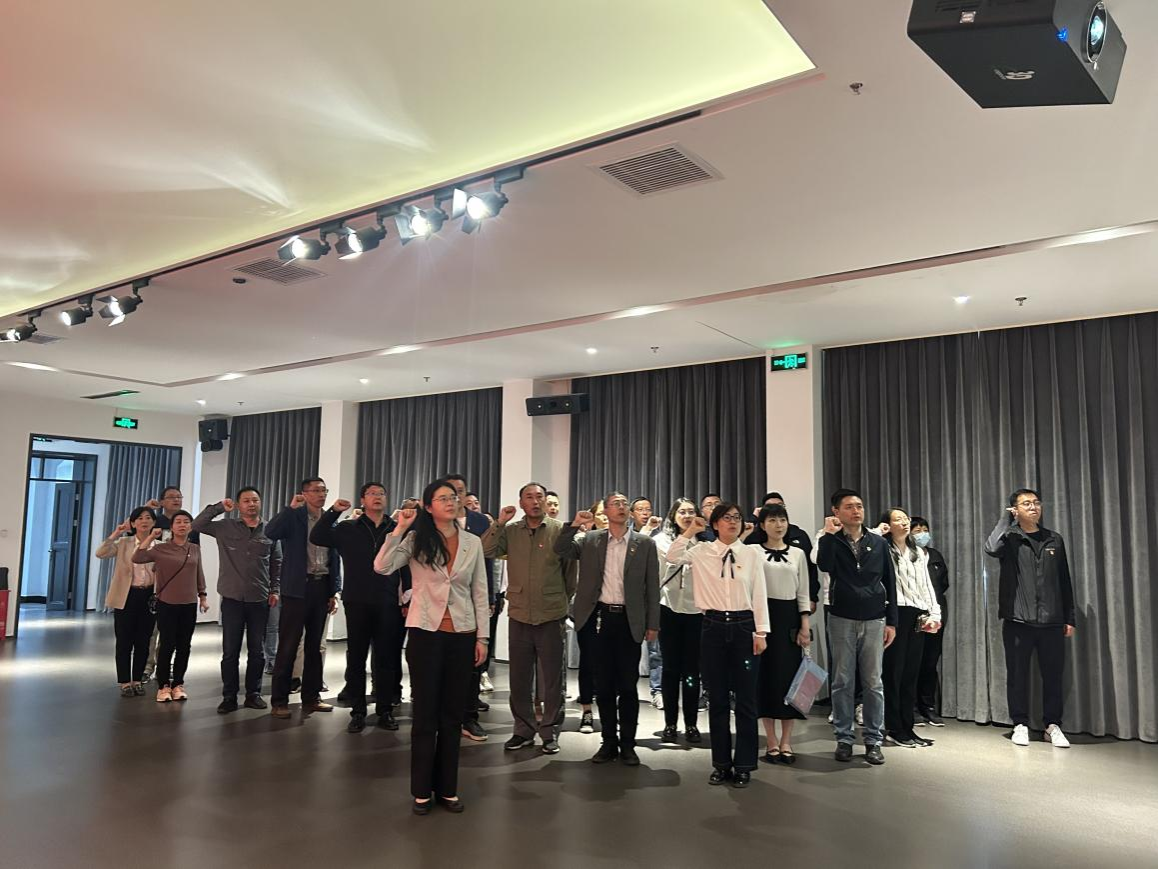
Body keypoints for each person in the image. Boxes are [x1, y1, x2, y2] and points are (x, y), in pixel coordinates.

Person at [374, 479, 489, 815]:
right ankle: (422, 790)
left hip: (462, 633)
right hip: (425, 632)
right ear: (428, 506)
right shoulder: (415, 540)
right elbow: (382, 566)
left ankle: (448, 789)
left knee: (452, 715)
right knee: (425, 714)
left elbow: (480, 591)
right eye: (442, 498)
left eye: (454, 497)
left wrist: (482, 637)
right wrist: (400, 527)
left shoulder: (472, 542)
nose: (451, 502)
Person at [666, 503, 769, 788]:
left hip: (744, 625)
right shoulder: (701, 551)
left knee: (746, 700)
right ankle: (721, 764)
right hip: (712, 626)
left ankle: (744, 764)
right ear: (715, 524)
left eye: (737, 517)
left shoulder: (751, 553)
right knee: (718, 699)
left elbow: (759, 593)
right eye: (726, 518)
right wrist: (690, 531)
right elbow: (672, 556)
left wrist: (761, 632)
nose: (732, 522)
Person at [556, 493, 660, 766]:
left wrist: (653, 623)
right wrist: (574, 525)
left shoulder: (644, 543)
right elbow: (561, 549)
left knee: (627, 685)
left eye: (625, 504)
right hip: (598, 618)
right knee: (603, 685)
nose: (621, 507)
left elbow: (652, 586)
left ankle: (628, 744)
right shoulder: (591, 540)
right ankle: (608, 742)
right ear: (605, 510)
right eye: (616, 504)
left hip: (629, 620)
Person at [481, 483, 575, 753]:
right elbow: (486, 550)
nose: (535, 501)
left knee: (553, 679)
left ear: (546, 501)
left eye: (539, 497)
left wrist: (559, 599)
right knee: (519, 678)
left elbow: (571, 573)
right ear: (521, 503)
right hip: (520, 613)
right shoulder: (511, 531)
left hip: (551, 614)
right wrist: (499, 522)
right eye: (529, 497)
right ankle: (523, 730)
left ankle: (550, 731)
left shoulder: (560, 530)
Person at [984, 489, 1076, 749]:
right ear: (1015, 509)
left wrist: (1069, 617)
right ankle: (1020, 724)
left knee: (1053, 676)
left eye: (1036, 503)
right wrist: (1006, 520)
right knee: (1017, 675)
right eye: (1026, 504)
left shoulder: (1054, 539)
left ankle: (1052, 725)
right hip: (1018, 621)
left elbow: (1064, 580)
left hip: (1052, 621)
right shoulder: (1009, 538)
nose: (1034, 507)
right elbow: (991, 548)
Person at [310, 482, 400, 733]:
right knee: (357, 658)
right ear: (363, 500)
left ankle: (385, 710)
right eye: (372, 493)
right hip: (357, 600)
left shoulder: (396, 528)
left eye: (381, 493)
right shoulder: (348, 528)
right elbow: (317, 536)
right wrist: (334, 511)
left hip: (388, 600)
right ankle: (358, 711)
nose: (377, 497)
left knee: (385, 659)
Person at [816, 489, 897, 766]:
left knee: (873, 682)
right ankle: (844, 738)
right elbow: (824, 565)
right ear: (836, 512)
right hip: (841, 617)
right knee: (842, 681)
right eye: (849, 507)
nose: (856, 511)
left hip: (875, 618)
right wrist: (828, 535)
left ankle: (874, 739)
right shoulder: (831, 541)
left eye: (859, 506)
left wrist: (892, 621)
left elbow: (890, 582)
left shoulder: (879, 542)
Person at [192, 488, 282, 714]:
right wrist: (219, 508)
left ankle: (253, 694)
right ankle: (229, 696)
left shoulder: (270, 530)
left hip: (259, 598)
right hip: (232, 598)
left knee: (257, 652)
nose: (251, 504)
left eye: (255, 500)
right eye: (246, 501)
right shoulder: (225, 527)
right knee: (230, 651)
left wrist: (275, 589)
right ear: (239, 505)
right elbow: (197, 524)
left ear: (260, 503)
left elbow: (277, 562)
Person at [267, 478, 343, 719]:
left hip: (321, 587)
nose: (321, 494)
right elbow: (271, 532)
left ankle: (311, 697)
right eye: (316, 490)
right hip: (296, 590)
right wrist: (289, 509)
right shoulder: (295, 517)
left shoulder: (329, 519)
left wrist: (333, 591)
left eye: (324, 490)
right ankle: (279, 700)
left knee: (314, 647)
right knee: (288, 645)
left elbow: (334, 557)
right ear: (304, 493)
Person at [749, 503, 811, 764]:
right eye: (772, 520)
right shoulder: (752, 551)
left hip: (789, 619)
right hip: (762, 618)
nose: (778, 525)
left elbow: (803, 591)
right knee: (764, 679)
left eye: (782, 519)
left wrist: (804, 625)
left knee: (790, 680)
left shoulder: (798, 553)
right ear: (762, 525)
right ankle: (771, 740)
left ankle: (786, 741)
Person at [878, 508, 941, 749]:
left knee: (910, 673)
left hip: (917, 613)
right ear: (887, 525)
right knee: (893, 673)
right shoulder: (883, 548)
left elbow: (927, 585)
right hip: (895, 613)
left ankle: (908, 727)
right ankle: (894, 727)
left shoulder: (919, 552)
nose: (904, 523)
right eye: (898, 519)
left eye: (906, 519)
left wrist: (934, 613)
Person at [132, 511, 207, 702]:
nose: (182, 525)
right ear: (172, 527)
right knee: (167, 644)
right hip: (167, 603)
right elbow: (137, 557)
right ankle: (163, 686)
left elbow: (199, 573)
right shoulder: (161, 548)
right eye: (178, 522)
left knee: (184, 646)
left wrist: (203, 596)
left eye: (186, 522)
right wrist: (151, 537)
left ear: (190, 526)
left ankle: (178, 684)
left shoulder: (194, 548)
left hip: (189, 603)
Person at [442, 473, 495, 743]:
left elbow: (487, 563)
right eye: (450, 492)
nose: (456, 497)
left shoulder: (480, 521)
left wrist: (491, 598)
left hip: (472, 599)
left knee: (473, 663)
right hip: (438, 604)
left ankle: (469, 716)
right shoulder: (434, 522)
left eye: (460, 491)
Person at [653, 498, 704, 743]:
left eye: (691, 511)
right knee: (671, 668)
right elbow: (671, 560)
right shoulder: (661, 541)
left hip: (697, 611)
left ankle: (691, 723)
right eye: (682, 512)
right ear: (673, 515)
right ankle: (670, 723)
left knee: (692, 669)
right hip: (668, 608)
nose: (687, 515)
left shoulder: (705, 542)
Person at [139, 487, 200, 682]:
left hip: (179, 586)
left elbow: (194, 556)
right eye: (171, 497)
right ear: (162, 501)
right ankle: (147, 666)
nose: (176, 500)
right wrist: (146, 509)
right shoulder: (155, 521)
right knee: (152, 629)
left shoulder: (188, 523)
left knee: (172, 634)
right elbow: (136, 531)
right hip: (154, 579)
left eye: (179, 497)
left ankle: (165, 668)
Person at [96, 506, 157, 697]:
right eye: (139, 518)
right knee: (124, 640)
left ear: (154, 523)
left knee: (143, 641)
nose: (144, 521)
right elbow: (100, 553)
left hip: (149, 596)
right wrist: (116, 532)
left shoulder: (158, 545)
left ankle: (137, 680)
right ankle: (124, 681)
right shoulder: (124, 542)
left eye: (148, 518)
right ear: (133, 523)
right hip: (126, 595)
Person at [744, 492, 820, 609]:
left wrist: (812, 598)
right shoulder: (753, 543)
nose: (778, 525)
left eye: (780, 506)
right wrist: (753, 520)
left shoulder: (799, 538)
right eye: (772, 519)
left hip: (791, 601)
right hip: (760, 603)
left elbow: (810, 570)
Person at [910, 516, 949, 726]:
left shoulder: (935, 555)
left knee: (930, 662)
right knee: (912, 662)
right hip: (913, 614)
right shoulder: (906, 555)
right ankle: (912, 707)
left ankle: (928, 706)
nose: (922, 534)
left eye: (924, 529)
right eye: (917, 531)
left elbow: (943, 583)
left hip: (936, 613)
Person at [629, 497, 664, 710]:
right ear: (631, 513)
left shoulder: (660, 538)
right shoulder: (626, 535)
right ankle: (625, 690)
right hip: (630, 601)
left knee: (656, 650)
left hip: (653, 599)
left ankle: (657, 690)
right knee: (628, 650)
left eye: (648, 509)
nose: (645, 513)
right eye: (640, 509)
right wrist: (647, 530)